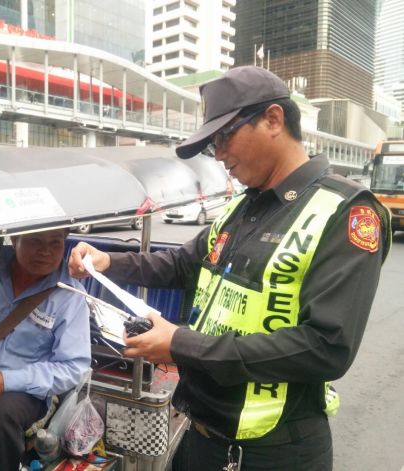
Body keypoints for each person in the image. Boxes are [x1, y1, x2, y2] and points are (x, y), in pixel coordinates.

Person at [68, 66, 391, 470]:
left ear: (273, 119)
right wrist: (107, 262)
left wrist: (181, 344)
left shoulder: (344, 212)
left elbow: (326, 347)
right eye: (212, 144)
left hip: (273, 454)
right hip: (200, 435)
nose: (218, 154)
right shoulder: (241, 207)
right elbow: (181, 264)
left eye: (224, 137)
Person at [0, 229, 91, 471]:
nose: (45, 252)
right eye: (35, 241)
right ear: (14, 239)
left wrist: (5, 380)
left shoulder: (70, 296)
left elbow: (73, 368)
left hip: (24, 390)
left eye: (55, 243)